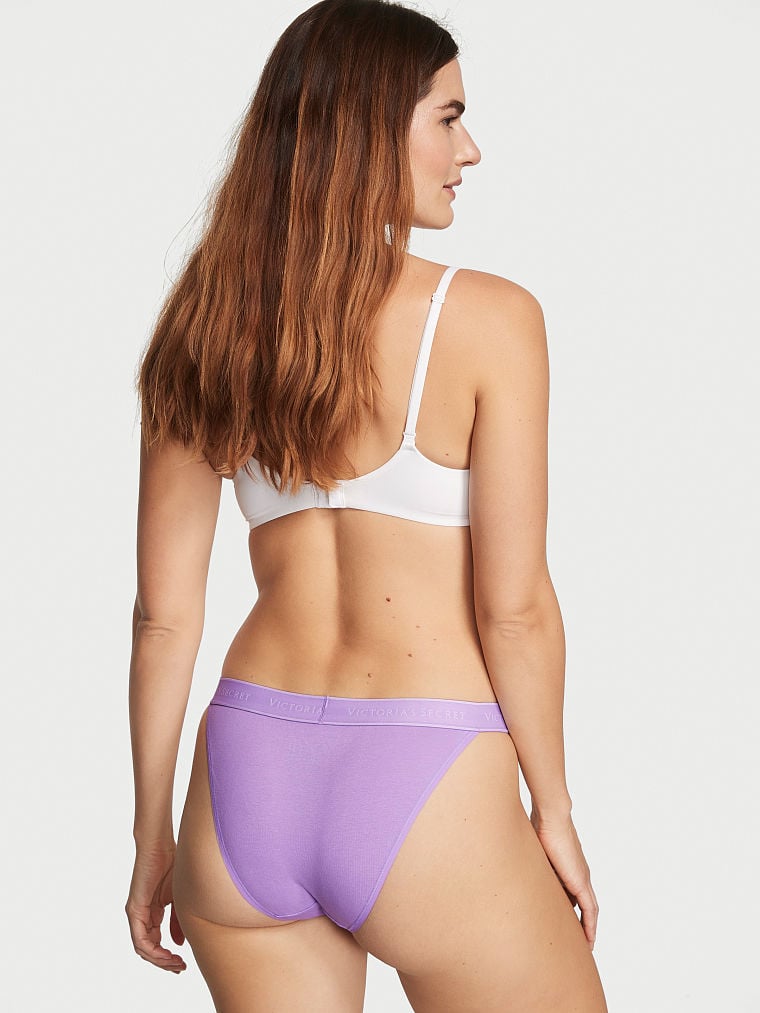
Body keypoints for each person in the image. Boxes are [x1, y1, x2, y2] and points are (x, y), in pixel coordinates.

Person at [125, 1, 609, 1009]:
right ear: (366, 128)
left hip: (245, 782)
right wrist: (554, 806)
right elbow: (514, 609)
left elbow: (163, 618)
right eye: (448, 117)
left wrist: (152, 833)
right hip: (428, 775)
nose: (469, 150)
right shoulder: (490, 317)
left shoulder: (205, 326)